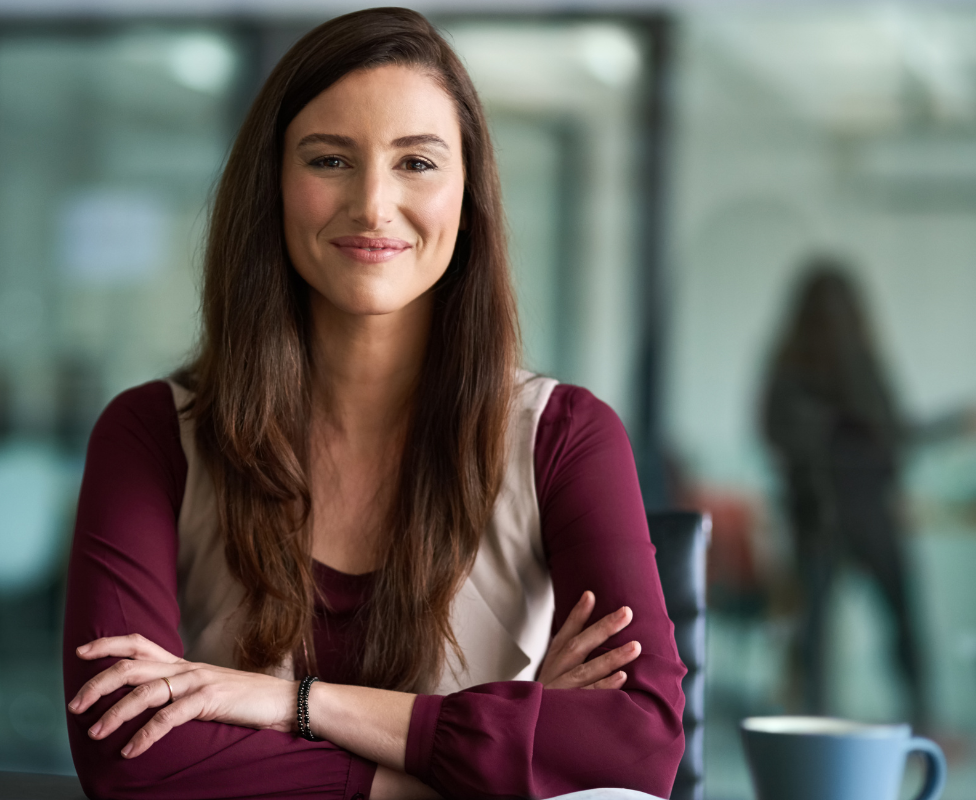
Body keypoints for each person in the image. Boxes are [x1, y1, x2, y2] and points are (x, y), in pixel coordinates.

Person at [62, 9, 686, 799]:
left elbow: (641, 748)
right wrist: (476, 762)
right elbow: (129, 757)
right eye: (329, 160)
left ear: (468, 196)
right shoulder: (150, 434)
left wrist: (292, 707)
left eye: (416, 163)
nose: (373, 205)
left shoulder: (564, 437)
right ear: (273, 185)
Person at [763, 258, 972, 725]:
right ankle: (922, 722)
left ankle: (812, 726)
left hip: (816, 517)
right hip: (864, 514)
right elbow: (894, 435)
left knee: (814, 634)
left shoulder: (787, 373)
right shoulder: (860, 367)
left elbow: (779, 438)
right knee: (898, 621)